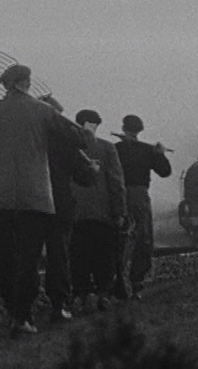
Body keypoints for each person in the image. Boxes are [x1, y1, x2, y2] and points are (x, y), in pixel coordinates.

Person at [0, 65, 88, 336]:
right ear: (26, 83)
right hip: (34, 199)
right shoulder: (44, 112)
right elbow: (80, 137)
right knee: (28, 260)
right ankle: (22, 317)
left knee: (4, 258)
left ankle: (13, 311)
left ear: (6, 85)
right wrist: (84, 132)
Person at [38, 94, 97, 323]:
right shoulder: (66, 139)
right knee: (59, 253)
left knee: (27, 253)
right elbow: (84, 176)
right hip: (58, 201)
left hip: (28, 201)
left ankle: (20, 309)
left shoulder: (29, 137)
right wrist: (92, 169)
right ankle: (58, 304)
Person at [68, 109, 126, 312]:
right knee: (104, 255)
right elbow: (116, 181)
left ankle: (80, 295)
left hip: (75, 214)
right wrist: (119, 211)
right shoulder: (107, 148)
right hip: (103, 214)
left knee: (78, 256)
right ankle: (103, 294)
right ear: (95, 125)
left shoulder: (68, 148)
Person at [114, 114, 172, 300]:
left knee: (119, 239)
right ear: (140, 130)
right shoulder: (148, 151)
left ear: (123, 129)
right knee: (142, 240)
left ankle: (115, 281)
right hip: (139, 196)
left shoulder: (115, 149)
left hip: (117, 195)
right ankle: (136, 284)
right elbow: (165, 172)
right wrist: (160, 153)